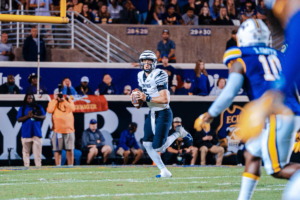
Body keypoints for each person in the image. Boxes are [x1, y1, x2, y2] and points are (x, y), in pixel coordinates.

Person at [196, 19, 300, 200]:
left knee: (277, 168)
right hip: (289, 111)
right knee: (251, 153)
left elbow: (230, 92)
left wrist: (210, 114)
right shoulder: (279, 56)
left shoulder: (240, 57)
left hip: (275, 113)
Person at [133, 50, 190, 178]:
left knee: (159, 148)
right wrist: (136, 101)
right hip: (152, 111)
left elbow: (165, 99)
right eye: (143, 61)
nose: (146, 63)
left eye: (149, 61)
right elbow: (141, 101)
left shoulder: (160, 74)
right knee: (147, 143)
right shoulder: (140, 75)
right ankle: (164, 171)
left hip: (163, 112)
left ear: (154, 63)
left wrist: (145, 97)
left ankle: (179, 132)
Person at [47, 89, 76, 166]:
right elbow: (49, 110)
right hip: (57, 130)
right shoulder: (52, 102)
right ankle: (58, 166)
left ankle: (70, 166)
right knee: (57, 150)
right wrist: (55, 100)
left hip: (69, 130)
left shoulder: (68, 100)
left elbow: (72, 109)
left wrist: (64, 100)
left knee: (69, 149)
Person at [17, 94, 46, 167]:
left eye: (31, 98)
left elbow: (43, 116)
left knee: (37, 153)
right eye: (28, 98)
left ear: (34, 99)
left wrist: (35, 116)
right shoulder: (23, 108)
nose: (30, 99)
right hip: (26, 133)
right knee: (26, 152)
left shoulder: (38, 107)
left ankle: (38, 166)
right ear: (26, 99)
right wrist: (28, 116)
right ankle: (26, 166)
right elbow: (19, 119)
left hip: (36, 132)